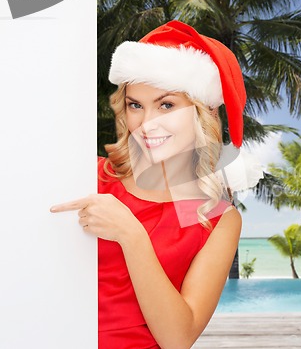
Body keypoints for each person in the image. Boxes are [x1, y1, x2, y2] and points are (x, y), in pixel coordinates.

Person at [50, 20, 246, 348]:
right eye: (135, 105)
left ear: (204, 111)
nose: (147, 123)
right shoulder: (88, 176)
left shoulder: (217, 219)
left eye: (166, 104)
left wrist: (131, 234)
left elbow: (178, 339)